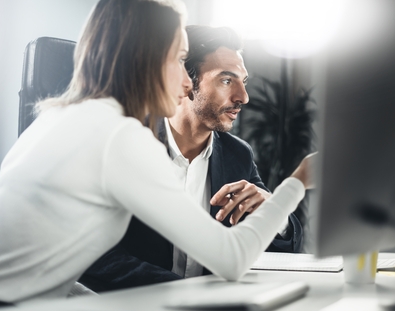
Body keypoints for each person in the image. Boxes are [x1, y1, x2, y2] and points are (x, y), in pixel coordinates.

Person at [0, 0, 311, 307]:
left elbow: (45, 268)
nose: (184, 82)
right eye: (180, 60)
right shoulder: (121, 135)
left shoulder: (61, 117)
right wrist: (300, 179)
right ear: (145, 60)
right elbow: (233, 258)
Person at [79, 25, 304, 292]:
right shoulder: (127, 142)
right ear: (185, 79)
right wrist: (188, 294)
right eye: (226, 80)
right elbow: (93, 257)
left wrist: (273, 210)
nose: (243, 97)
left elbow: (286, 245)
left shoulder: (237, 154)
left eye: (243, 81)